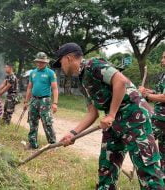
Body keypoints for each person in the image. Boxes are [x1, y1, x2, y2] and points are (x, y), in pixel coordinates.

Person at [55, 43, 164, 189]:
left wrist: (111, 114)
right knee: (106, 167)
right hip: (113, 122)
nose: (60, 66)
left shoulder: (93, 65)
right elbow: (92, 113)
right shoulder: (82, 80)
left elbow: (120, 81)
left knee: (147, 170)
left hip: (134, 117)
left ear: (68, 58)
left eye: (60, 62)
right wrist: (73, 133)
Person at [24, 52, 58, 149]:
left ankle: (52, 144)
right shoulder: (33, 73)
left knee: (47, 122)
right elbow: (29, 88)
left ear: (46, 63)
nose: (39, 64)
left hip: (45, 100)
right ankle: (32, 143)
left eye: (42, 62)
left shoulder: (50, 73)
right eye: (38, 62)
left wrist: (55, 103)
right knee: (32, 121)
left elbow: (55, 89)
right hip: (34, 100)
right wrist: (26, 101)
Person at [139, 51, 165, 174]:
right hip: (160, 118)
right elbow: (160, 92)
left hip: (161, 120)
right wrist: (150, 91)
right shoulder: (163, 75)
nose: (162, 60)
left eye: (164, 57)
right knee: (163, 150)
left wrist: (146, 95)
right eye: (162, 57)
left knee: (144, 142)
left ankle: (149, 175)